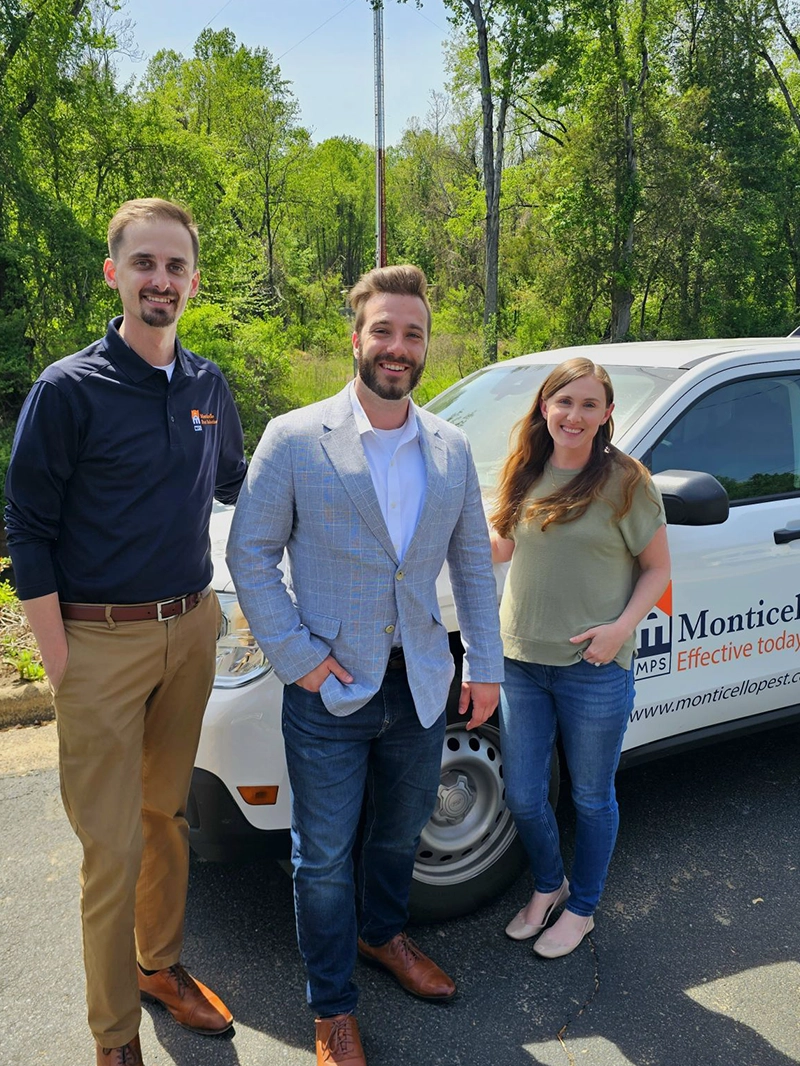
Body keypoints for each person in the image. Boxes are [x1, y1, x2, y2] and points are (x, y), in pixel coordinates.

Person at [227, 264, 503, 1066]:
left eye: (412, 334)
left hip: (419, 682)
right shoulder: (293, 436)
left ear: (426, 347)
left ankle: (384, 936)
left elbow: (474, 570)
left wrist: (481, 664)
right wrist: (300, 660)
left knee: (398, 835)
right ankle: (332, 1005)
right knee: (321, 856)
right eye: (383, 330)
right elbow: (251, 552)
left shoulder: (450, 448)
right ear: (356, 337)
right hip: (329, 689)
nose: (397, 347)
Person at [4, 198, 247, 1066]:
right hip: (97, 642)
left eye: (176, 267)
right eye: (145, 264)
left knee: (164, 816)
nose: (161, 280)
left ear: (192, 280)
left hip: (191, 628)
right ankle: (113, 1041)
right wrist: (59, 657)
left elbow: (236, 492)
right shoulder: (67, 390)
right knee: (109, 850)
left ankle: (160, 968)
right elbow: (25, 526)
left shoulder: (209, 386)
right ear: (115, 274)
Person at [489, 357, 670, 959]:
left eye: (589, 405)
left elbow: (658, 570)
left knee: (592, 796)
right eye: (564, 402)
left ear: (606, 414)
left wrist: (619, 630)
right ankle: (549, 885)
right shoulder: (525, 469)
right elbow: (501, 545)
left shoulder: (626, 481)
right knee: (521, 794)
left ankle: (583, 907)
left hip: (594, 668)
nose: (574, 415)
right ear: (545, 406)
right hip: (520, 663)